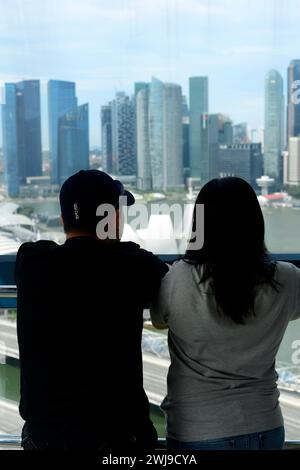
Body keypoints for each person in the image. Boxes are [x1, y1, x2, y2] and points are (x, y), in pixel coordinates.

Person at [16, 169, 168, 451]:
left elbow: (71, 254)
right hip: (115, 438)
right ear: (113, 219)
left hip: (44, 438)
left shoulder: (31, 262)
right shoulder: (134, 265)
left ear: (63, 220)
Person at [151, 177, 300, 451]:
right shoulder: (287, 279)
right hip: (265, 427)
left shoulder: (176, 279)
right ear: (255, 223)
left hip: (196, 431)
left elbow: (159, 320)